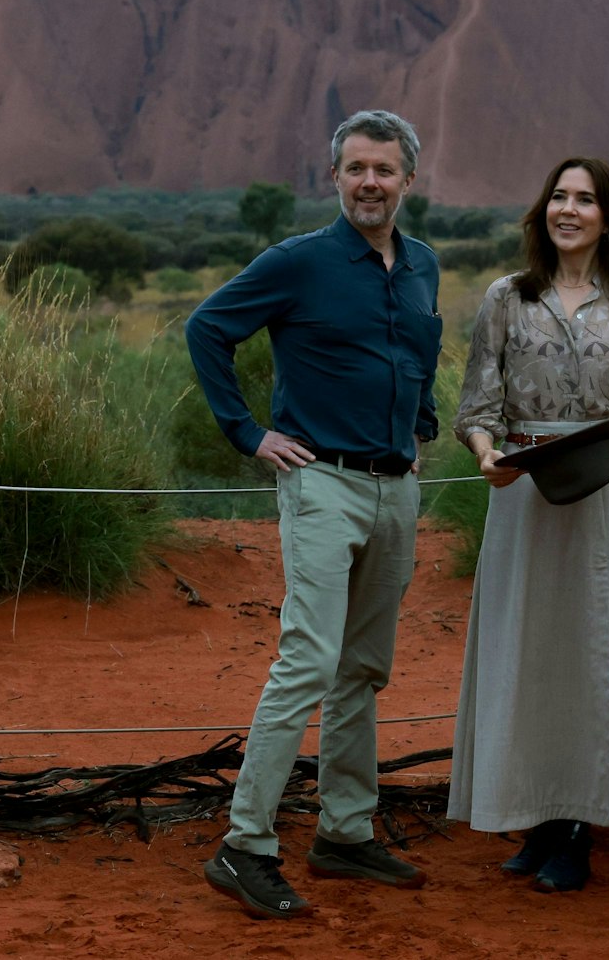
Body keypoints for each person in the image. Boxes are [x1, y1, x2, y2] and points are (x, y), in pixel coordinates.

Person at [185, 110, 443, 919]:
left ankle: (345, 830)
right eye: (357, 167)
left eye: (386, 169)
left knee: (364, 666)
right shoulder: (298, 262)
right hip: (321, 481)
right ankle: (245, 843)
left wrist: (422, 425)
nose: (371, 181)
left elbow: (416, 354)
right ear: (334, 176)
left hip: (395, 487)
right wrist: (248, 433)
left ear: (408, 180)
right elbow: (207, 328)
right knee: (307, 658)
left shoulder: (423, 265)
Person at [446, 157, 609, 892]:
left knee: (595, 658)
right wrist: (486, 453)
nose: (568, 209)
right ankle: (539, 819)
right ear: (542, 211)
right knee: (528, 654)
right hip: (524, 487)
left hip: (603, 488)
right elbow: (477, 407)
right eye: (558, 196)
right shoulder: (506, 297)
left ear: (607, 217)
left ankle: (579, 831)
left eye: (584, 199)